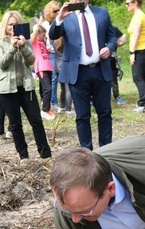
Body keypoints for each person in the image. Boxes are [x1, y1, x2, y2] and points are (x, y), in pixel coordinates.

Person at [49, 0, 117, 150]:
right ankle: (87, 153)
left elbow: (112, 37)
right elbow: (53, 35)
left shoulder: (101, 13)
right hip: (78, 73)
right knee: (82, 115)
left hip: (100, 70)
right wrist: (60, 17)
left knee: (105, 112)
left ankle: (107, 151)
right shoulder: (66, 16)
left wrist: (109, 48)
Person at [0, 11, 52, 161]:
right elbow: (1, 64)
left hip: (26, 87)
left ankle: (45, 154)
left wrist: (23, 46)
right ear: (5, 26)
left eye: (16, 24)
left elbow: (31, 60)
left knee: (36, 121)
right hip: (7, 89)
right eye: (10, 24)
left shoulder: (25, 41)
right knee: (15, 124)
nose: (13, 27)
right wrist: (13, 48)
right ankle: (23, 156)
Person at [126, 0, 145, 113]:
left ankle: (142, 104)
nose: (126, 5)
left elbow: (136, 35)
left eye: (128, 3)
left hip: (139, 50)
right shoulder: (141, 15)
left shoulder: (138, 17)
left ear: (135, 2)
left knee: (138, 77)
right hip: (144, 48)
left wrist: (132, 53)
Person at [32, 24, 55, 120]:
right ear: (37, 34)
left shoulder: (42, 42)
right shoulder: (34, 42)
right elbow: (32, 38)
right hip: (41, 68)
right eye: (42, 35)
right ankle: (44, 110)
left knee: (46, 89)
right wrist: (36, 30)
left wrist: (47, 51)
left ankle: (47, 107)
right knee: (48, 89)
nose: (44, 37)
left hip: (48, 67)